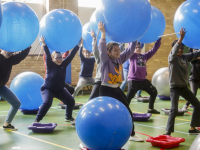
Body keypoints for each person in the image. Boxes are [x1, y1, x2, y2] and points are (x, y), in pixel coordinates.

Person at [98, 21, 143, 142]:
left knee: (127, 110)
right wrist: (103, 33)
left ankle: (132, 134)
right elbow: (101, 48)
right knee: (105, 114)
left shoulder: (120, 59)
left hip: (116, 89)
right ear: (109, 52)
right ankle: (99, 135)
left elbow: (130, 50)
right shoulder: (105, 61)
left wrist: (135, 37)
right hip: (105, 89)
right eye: (115, 51)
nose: (118, 52)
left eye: (118, 50)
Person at [35, 36, 82, 125]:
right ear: (53, 58)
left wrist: (78, 45)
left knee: (71, 101)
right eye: (57, 58)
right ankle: (37, 120)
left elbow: (71, 55)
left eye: (60, 57)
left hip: (59, 89)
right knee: (47, 103)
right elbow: (48, 55)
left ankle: (68, 117)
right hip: (47, 88)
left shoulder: (63, 64)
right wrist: (44, 44)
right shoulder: (50, 64)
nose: (59, 59)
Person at [165, 28, 200, 135]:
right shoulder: (171, 58)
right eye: (178, 48)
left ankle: (192, 128)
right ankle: (168, 132)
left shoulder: (185, 57)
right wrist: (181, 38)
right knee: (174, 109)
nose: (180, 50)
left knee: (198, 105)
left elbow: (197, 53)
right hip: (174, 87)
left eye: (181, 48)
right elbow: (174, 51)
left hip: (184, 87)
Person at [126, 39, 161, 114]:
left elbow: (154, 50)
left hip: (143, 80)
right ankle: (125, 110)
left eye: (139, 47)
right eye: (136, 47)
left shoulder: (145, 56)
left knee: (154, 92)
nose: (138, 49)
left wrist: (158, 40)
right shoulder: (132, 56)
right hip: (133, 80)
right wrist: (132, 37)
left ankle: (150, 109)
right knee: (129, 96)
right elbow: (130, 47)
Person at [0, 46, 31, 130]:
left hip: (1, 87)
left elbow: (21, 55)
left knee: (16, 103)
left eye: (12, 52)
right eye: (7, 50)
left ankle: (7, 124)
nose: (10, 53)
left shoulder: (11, 59)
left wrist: (28, 46)